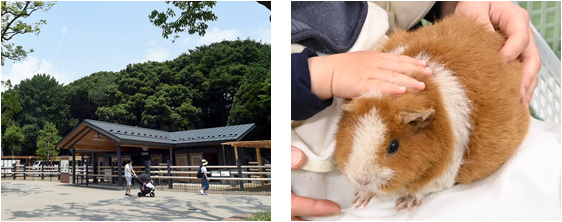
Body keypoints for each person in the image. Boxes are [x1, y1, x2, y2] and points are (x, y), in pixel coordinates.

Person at [291, 1, 540, 220]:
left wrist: (456, 3)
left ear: (419, 122)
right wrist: (308, 76)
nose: (362, 176)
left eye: (392, 147)